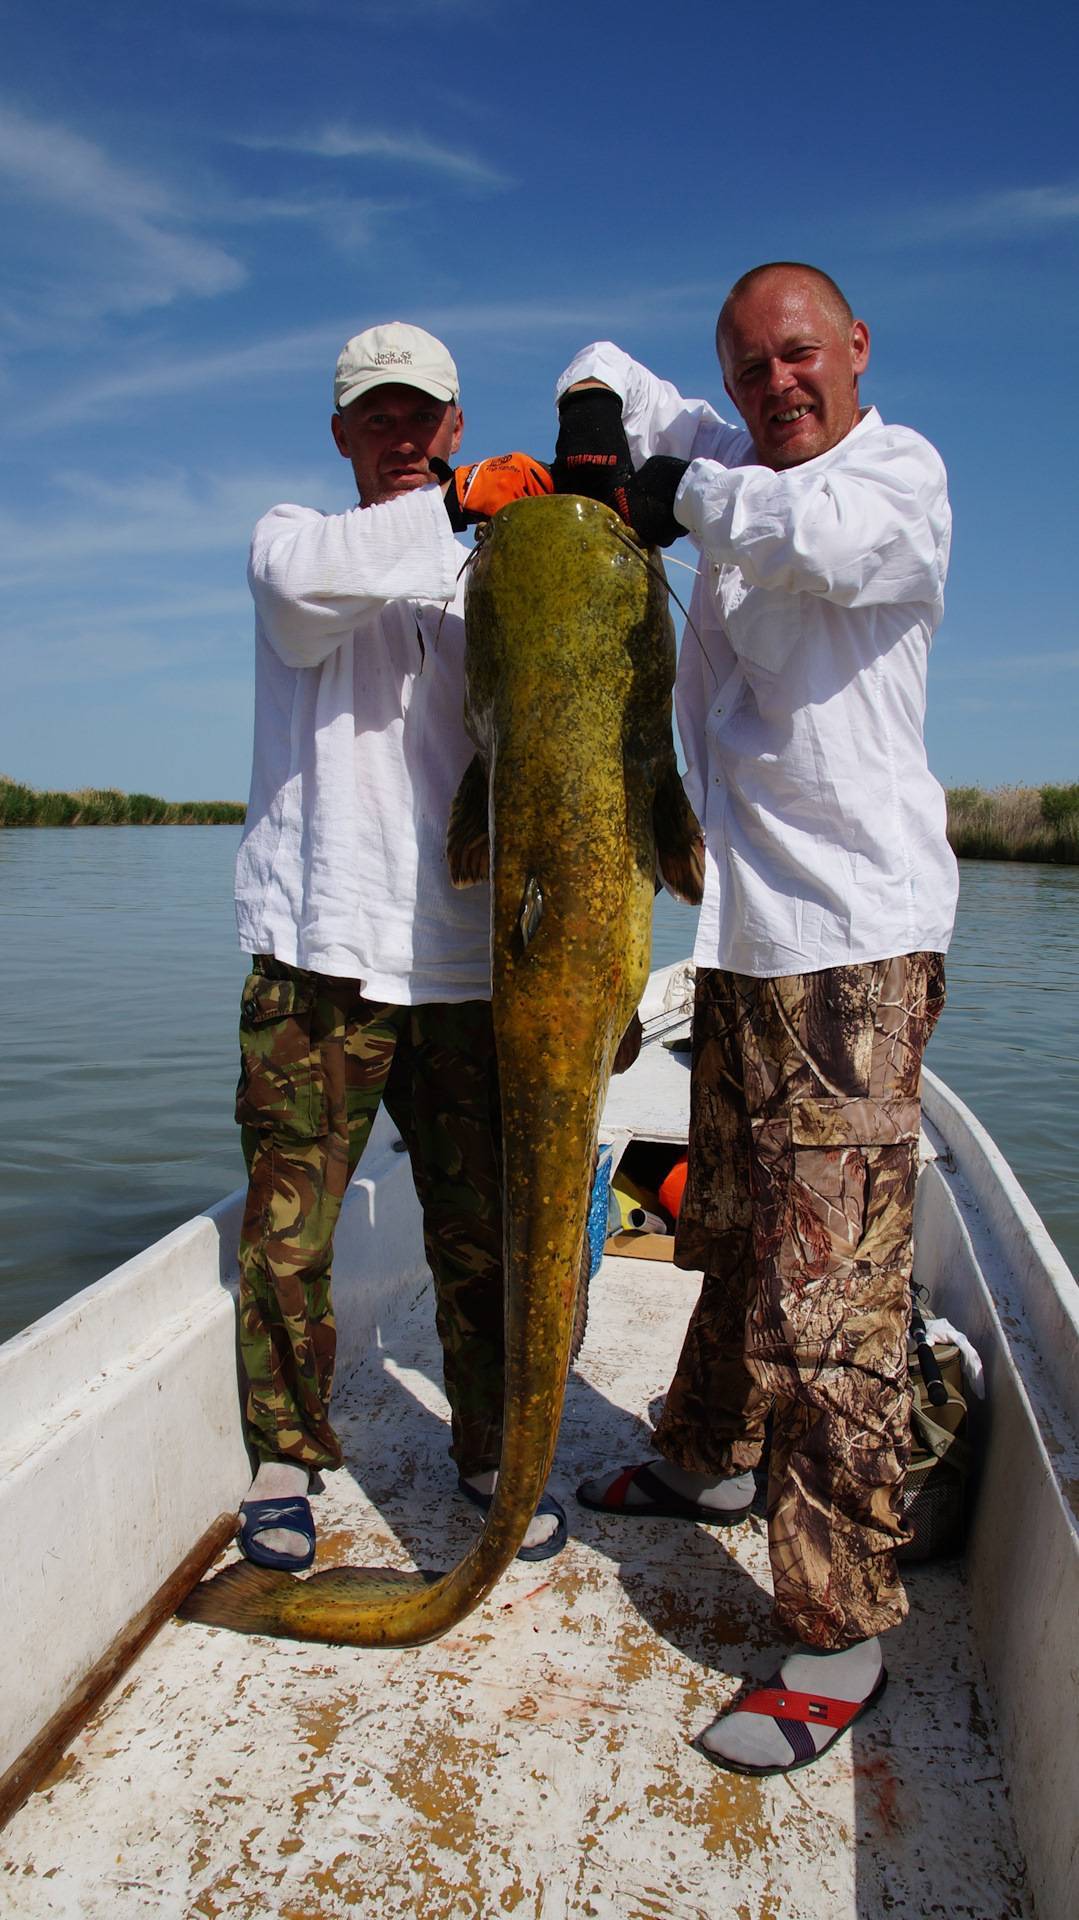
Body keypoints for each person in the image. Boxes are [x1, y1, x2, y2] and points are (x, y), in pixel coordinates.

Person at [555, 263, 957, 1774]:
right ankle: (706, 1460)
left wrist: (678, 496)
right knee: (727, 1222)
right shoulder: (722, 451)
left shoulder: (889, 478)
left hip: (848, 956)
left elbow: (820, 542)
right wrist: (601, 440)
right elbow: (603, 355)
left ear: (854, 348)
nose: (774, 384)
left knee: (829, 1300)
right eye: (745, 368)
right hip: (734, 938)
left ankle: (835, 1632)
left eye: (798, 356)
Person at [233, 321, 562, 1572]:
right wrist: (461, 511)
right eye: (377, 416)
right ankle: (285, 1456)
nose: (404, 435)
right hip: (315, 950)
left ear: (457, 426)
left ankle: (486, 1443)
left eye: (424, 415)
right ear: (339, 436)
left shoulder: (490, 581)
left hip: (469, 964)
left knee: (483, 1231)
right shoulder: (293, 547)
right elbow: (314, 590)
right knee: (289, 1233)